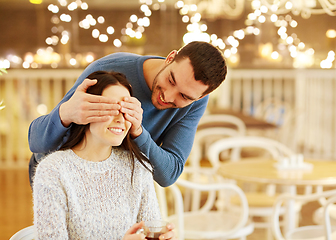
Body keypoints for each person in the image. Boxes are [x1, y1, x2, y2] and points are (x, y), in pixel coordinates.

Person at [28, 41, 227, 187]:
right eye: (171, 80)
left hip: (115, 183)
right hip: (60, 177)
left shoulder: (195, 103)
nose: (167, 96)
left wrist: (138, 133)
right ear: (170, 58)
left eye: (184, 96)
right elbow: (37, 143)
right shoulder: (109, 70)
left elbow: (169, 174)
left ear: (201, 97)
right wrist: (65, 114)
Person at [33, 71, 176, 240]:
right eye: (111, 109)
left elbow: (150, 228)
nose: (120, 119)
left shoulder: (138, 168)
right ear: (84, 110)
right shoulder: (53, 171)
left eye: (127, 110)